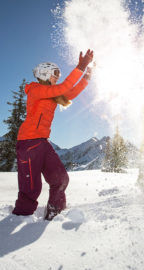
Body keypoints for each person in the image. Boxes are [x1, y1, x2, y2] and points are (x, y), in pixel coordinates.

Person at [12, 50, 94, 220]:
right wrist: (80, 66)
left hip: (42, 142)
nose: (58, 76)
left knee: (60, 178)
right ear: (45, 73)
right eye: (55, 73)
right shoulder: (36, 89)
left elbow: (70, 92)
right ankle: (19, 219)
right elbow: (64, 87)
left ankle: (54, 213)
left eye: (59, 73)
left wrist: (86, 76)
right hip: (28, 143)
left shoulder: (52, 94)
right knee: (31, 189)